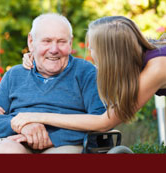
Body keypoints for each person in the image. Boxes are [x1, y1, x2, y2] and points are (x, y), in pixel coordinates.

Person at [11, 16, 166, 135]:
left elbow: (105, 122)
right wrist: (39, 60)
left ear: (110, 53)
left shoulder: (158, 67)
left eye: (93, 48)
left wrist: (37, 116)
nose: (91, 54)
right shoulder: (143, 57)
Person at [0, 13, 106, 153]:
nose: (54, 50)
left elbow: (100, 121)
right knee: (5, 150)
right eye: (46, 41)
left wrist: (52, 137)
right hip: (17, 141)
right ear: (31, 42)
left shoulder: (86, 72)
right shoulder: (14, 75)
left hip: (64, 145)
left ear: (70, 43)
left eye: (61, 42)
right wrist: (21, 127)